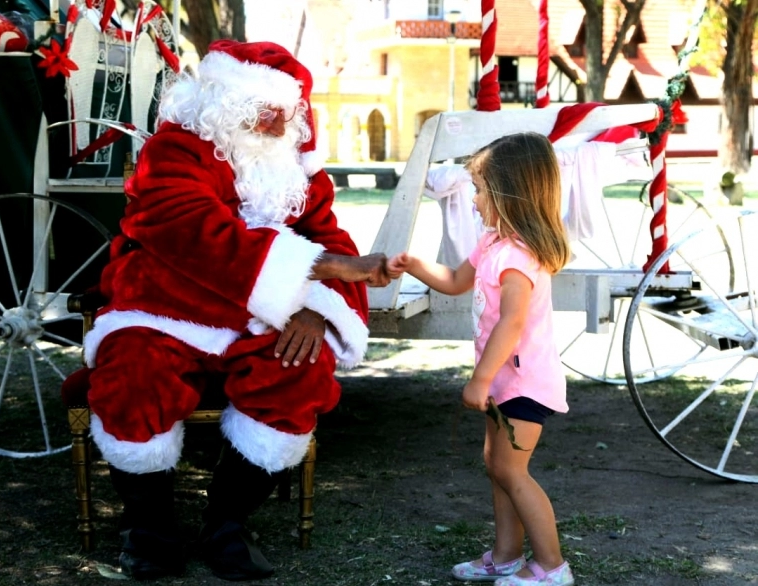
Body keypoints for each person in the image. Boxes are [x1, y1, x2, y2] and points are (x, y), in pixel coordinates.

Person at [74, 40, 390, 581]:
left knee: (299, 372)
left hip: (259, 317)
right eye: (262, 107)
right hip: (162, 308)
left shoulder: (295, 170)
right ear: (222, 98)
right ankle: (148, 530)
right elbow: (187, 229)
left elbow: (329, 237)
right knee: (134, 376)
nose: (276, 121)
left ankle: (228, 525)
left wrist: (318, 307)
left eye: (286, 111)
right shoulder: (174, 151)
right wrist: (323, 269)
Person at [386, 132, 575, 586]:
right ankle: (507, 555)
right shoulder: (493, 243)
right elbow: (453, 280)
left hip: (524, 383)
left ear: (511, 192)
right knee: (497, 466)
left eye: (480, 189)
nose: (472, 201)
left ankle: (552, 566)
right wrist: (414, 264)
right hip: (505, 384)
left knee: (511, 470)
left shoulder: (519, 258)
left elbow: (511, 323)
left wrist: (479, 379)